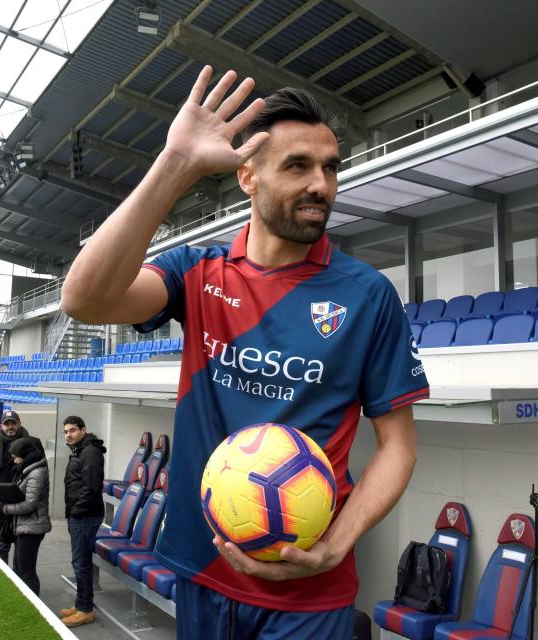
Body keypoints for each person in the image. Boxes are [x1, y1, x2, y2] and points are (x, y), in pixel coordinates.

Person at [62, 66, 429, 639]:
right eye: (298, 166)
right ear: (247, 177)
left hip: (309, 595)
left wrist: (338, 542)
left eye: (331, 167)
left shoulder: (367, 295)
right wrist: (175, 165)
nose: (322, 185)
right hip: (203, 572)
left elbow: (398, 446)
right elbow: (84, 299)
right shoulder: (198, 272)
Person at [59, 416, 106, 628]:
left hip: (85, 516)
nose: (68, 435)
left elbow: (91, 487)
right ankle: (81, 605)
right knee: (80, 562)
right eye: (66, 432)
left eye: (72, 430)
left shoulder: (90, 452)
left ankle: (85, 610)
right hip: (80, 514)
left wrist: (76, 511)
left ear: (83, 430)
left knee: (81, 563)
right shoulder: (81, 450)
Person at [1, 436, 51, 595]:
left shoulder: (36, 473)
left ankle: (35, 606)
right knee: (19, 568)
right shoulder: (29, 470)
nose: (15, 461)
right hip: (25, 527)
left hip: (32, 528)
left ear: (26, 455)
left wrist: (6, 509)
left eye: (16, 458)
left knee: (26, 572)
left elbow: (30, 504)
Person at [0, 409, 30, 563]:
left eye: (13, 423)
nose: (10, 427)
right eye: (7, 424)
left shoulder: (31, 446)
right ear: (1, 426)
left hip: (23, 507)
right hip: (1, 507)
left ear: (20, 424)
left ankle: (20, 583)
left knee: (22, 551)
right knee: (1, 548)